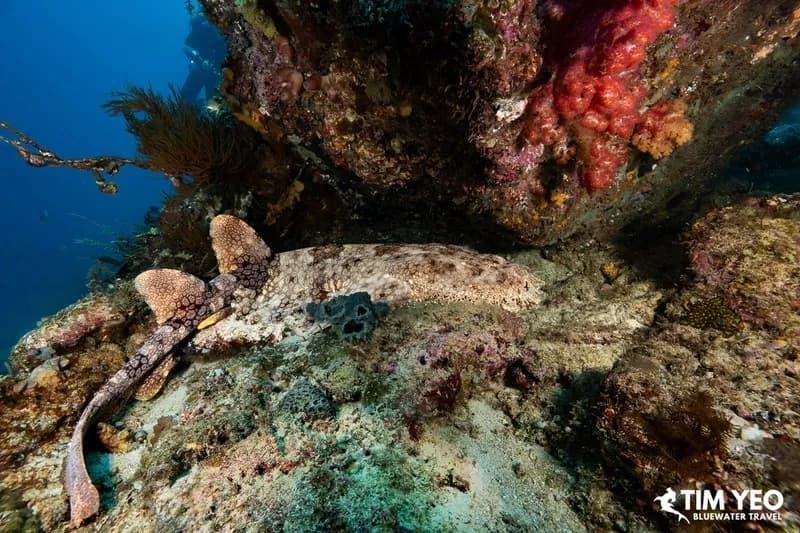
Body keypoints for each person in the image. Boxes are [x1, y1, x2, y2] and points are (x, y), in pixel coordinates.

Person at [180, 14, 227, 104]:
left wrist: (214, 64)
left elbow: (222, 49)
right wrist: (199, 60)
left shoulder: (216, 29)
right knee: (185, 100)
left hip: (215, 72)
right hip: (201, 69)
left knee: (215, 105)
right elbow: (186, 47)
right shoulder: (198, 28)